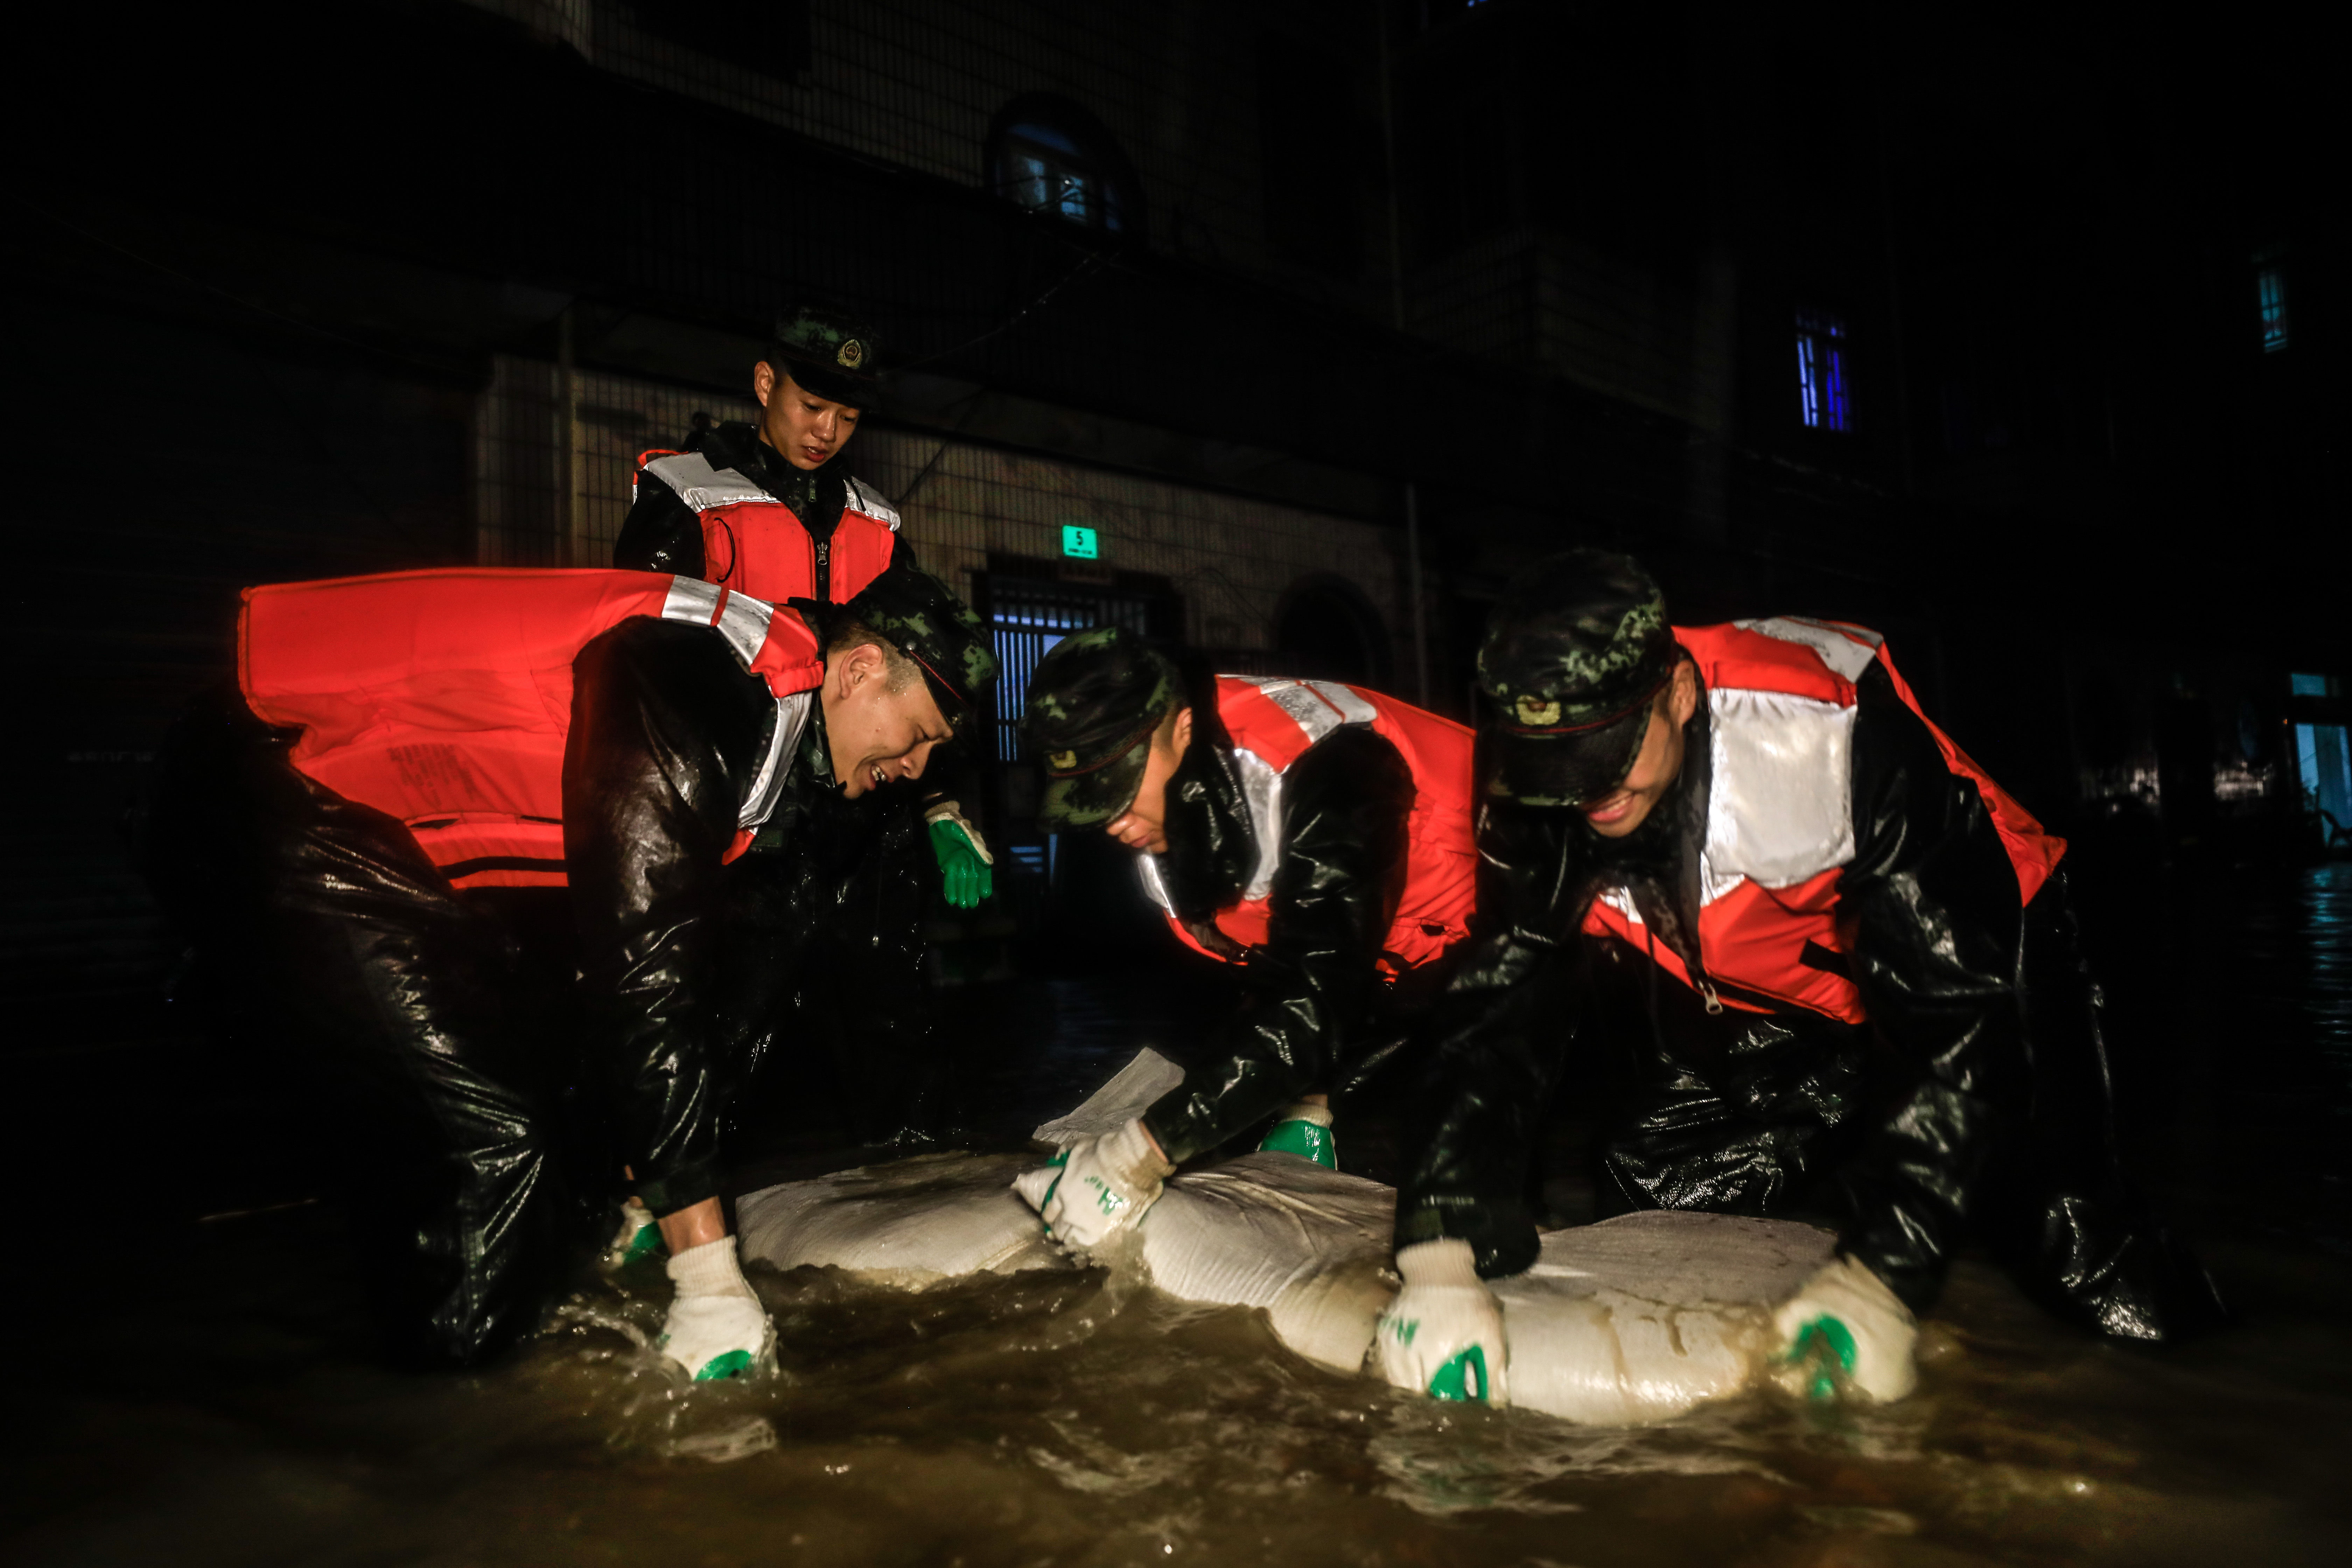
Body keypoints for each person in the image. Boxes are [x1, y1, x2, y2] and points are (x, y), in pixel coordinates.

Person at [1374, 550, 2228, 1407]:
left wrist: (1882, 1278)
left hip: (1977, 957)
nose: (1590, 797)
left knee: (2074, 1242)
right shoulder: (1537, 777)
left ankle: (2215, 1411)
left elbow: (1959, 1020)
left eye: (1608, 756)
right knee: (1656, 1199)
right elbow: (1497, 1005)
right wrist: (1440, 1248)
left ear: (1676, 691)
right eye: (1559, 767)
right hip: (1765, 989)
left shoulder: (1830, 728)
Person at [144, 563, 997, 1379]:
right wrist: (705, 1274)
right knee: (492, 1145)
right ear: (856, 671)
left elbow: (732, 977)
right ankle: (464, 1440)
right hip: (278, 796)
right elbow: (648, 971)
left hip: (395, 852)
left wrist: (649, 1192)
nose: (918, 767)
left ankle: (493, 1337)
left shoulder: (781, 729)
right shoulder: (701, 689)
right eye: (918, 735)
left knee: (542, 1107)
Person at [1008, 627, 1478, 1257]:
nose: (1113, 824)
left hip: (1531, 928)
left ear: (1181, 728)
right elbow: (1276, 965)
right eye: (1092, 803)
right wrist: (1305, 1104)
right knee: (1247, 1135)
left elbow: (1318, 994)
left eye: (1119, 791)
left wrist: (1137, 1154)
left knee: (1600, 1155)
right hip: (1390, 963)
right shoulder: (1176, 802)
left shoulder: (1332, 772)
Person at [616, 303, 993, 912]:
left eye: (848, 416)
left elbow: (926, 678)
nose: (828, 431)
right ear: (766, 384)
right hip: (736, 835)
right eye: (812, 407)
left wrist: (939, 804)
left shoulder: (879, 526)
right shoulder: (690, 498)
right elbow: (639, 681)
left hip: (860, 844)